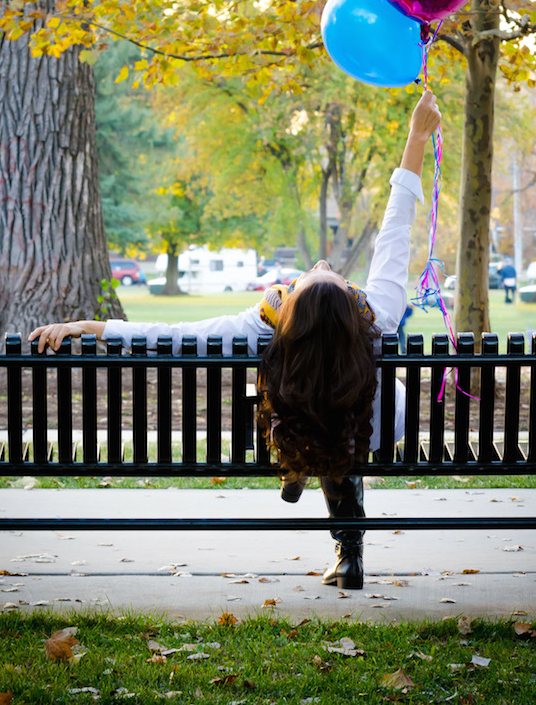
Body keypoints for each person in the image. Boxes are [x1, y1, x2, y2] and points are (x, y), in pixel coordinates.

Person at [29, 89, 441, 591]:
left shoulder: (264, 324)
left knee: (294, 401)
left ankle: (297, 460)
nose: (320, 265)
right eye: (325, 272)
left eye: (312, 276)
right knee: (344, 417)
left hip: (302, 424)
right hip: (370, 431)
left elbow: (177, 339)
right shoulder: (377, 313)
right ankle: (345, 545)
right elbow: (396, 226)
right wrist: (416, 138)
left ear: (291, 309)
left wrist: (95, 330)